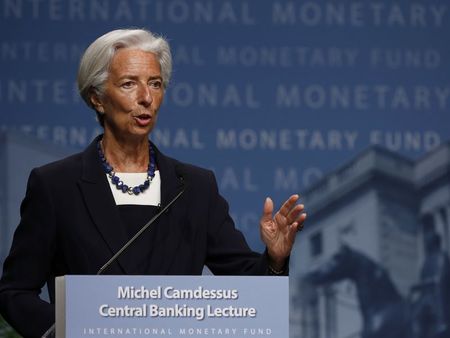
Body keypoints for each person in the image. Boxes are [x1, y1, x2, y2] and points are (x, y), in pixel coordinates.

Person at [0, 28, 306, 338]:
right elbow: (15, 291)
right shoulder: (56, 186)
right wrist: (72, 330)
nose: (146, 98)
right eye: (129, 84)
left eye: (155, 84)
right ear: (97, 98)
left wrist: (275, 259)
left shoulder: (195, 187)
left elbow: (248, 288)